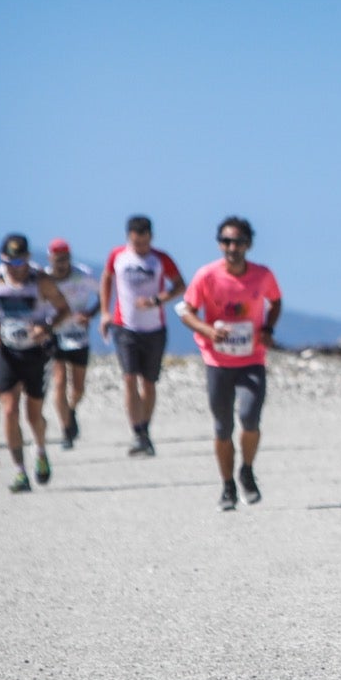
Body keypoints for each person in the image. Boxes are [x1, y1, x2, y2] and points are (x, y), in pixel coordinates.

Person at [176, 216, 283, 511]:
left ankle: (246, 470)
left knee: (249, 418)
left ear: (248, 244)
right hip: (217, 362)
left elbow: (276, 301)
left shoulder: (262, 275)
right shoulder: (207, 276)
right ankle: (227, 487)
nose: (231, 247)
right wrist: (209, 331)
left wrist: (268, 329)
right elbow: (185, 311)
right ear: (219, 243)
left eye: (237, 241)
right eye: (225, 241)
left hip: (252, 360)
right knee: (222, 427)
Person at [0, 233, 72, 493]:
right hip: (7, 351)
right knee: (8, 410)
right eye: (9, 263)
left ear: (28, 260)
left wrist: (47, 327)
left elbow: (64, 309)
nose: (14, 269)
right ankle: (19, 472)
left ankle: (40, 450)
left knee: (33, 413)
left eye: (19, 264)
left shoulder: (41, 280)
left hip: (35, 352)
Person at [99, 215, 184, 456]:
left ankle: (145, 430)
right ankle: (136, 432)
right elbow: (106, 279)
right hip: (124, 327)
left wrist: (157, 300)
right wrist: (105, 312)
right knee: (129, 378)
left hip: (154, 328)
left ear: (151, 238)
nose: (141, 248)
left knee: (149, 382)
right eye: (137, 244)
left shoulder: (160, 259)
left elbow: (180, 286)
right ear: (129, 238)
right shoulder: (117, 256)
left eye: (145, 243)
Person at [45, 238, 101, 450]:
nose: (62, 264)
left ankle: (71, 410)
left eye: (66, 259)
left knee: (78, 388)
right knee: (59, 382)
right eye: (58, 260)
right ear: (51, 259)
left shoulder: (83, 274)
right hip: (54, 333)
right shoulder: (44, 278)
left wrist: (91, 314)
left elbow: (103, 293)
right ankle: (66, 430)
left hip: (78, 334)